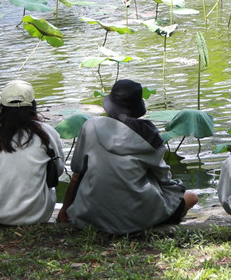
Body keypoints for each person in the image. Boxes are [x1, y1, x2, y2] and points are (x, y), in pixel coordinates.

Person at [57, 79, 197, 234]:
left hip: (89, 217)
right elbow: (164, 180)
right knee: (191, 197)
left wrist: (65, 209)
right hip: (135, 219)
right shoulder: (149, 136)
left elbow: (77, 174)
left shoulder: (91, 126)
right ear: (137, 106)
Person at [0, 79, 65, 225]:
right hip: (38, 214)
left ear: (2, 107)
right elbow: (58, 171)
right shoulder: (47, 133)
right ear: (33, 105)